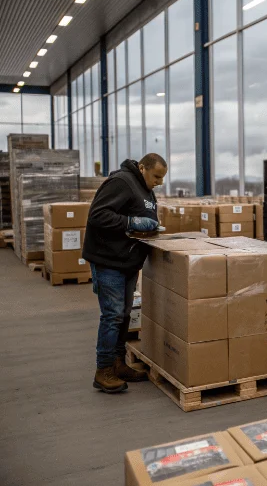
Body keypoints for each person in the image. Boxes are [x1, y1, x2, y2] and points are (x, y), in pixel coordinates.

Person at [82, 154, 167, 393]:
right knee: (112, 315)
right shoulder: (121, 182)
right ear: (142, 168)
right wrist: (132, 222)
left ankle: (118, 363)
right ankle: (103, 370)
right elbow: (97, 215)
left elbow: (144, 216)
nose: (159, 182)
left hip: (128, 262)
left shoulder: (146, 191)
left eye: (162, 178)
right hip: (109, 260)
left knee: (125, 314)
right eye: (156, 176)